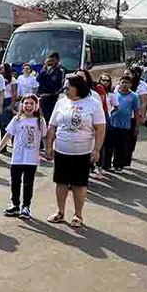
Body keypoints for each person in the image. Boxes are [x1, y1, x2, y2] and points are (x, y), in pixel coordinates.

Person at [45, 74, 106, 228]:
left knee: (79, 184)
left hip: (82, 152)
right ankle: (60, 212)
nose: (64, 90)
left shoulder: (92, 103)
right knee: (61, 183)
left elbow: (100, 128)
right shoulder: (61, 103)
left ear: (77, 87)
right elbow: (52, 126)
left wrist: (97, 149)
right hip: (62, 151)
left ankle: (78, 215)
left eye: (67, 87)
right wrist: (49, 146)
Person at [0, 94, 47, 220]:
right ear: (22, 105)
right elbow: (8, 135)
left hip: (31, 159)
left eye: (31, 104)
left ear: (36, 106)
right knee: (15, 182)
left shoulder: (40, 121)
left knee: (28, 183)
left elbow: (44, 137)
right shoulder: (17, 119)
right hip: (17, 158)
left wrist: (48, 150)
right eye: (26, 103)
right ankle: (15, 204)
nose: (28, 106)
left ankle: (26, 206)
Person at [104, 75, 140, 172]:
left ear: (131, 85)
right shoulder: (114, 94)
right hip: (112, 124)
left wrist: (137, 126)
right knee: (109, 146)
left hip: (125, 125)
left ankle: (118, 165)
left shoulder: (134, 96)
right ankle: (106, 165)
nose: (124, 84)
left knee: (120, 146)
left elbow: (136, 112)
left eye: (127, 83)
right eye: (122, 82)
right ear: (119, 83)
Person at [37, 52, 65, 126]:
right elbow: (38, 80)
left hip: (52, 98)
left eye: (53, 60)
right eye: (50, 60)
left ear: (57, 60)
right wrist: (44, 68)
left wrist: (51, 94)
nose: (51, 62)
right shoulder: (45, 70)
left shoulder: (60, 71)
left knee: (51, 117)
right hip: (42, 97)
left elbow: (60, 86)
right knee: (43, 117)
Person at [0, 63, 18, 141]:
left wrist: (12, 105)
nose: (1, 69)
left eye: (2, 68)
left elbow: (14, 93)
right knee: (1, 125)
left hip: (8, 101)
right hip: (0, 101)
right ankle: (3, 146)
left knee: (8, 124)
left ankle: (13, 142)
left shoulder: (12, 79)